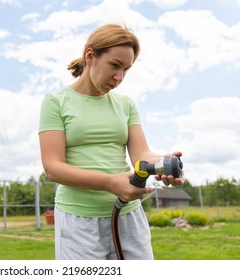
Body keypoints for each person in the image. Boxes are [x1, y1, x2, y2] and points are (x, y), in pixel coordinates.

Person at [38, 23, 184, 260]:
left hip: (128, 215)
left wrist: (163, 162)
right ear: (90, 55)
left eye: (126, 69)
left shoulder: (125, 104)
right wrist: (109, 183)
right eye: (114, 66)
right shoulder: (56, 103)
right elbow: (53, 168)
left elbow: (141, 156)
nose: (119, 77)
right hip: (78, 220)